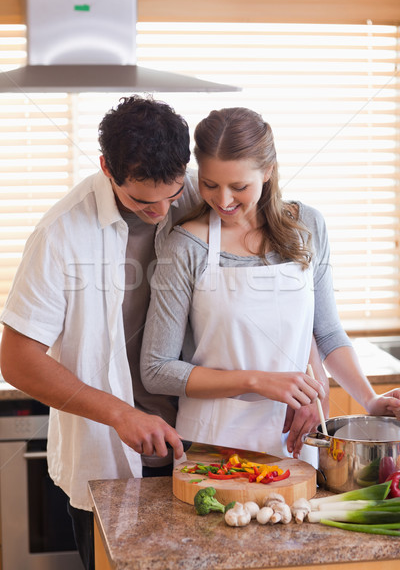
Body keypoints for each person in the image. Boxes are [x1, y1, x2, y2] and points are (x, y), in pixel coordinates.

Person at [0, 95, 203, 570]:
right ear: (106, 169)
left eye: (170, 195)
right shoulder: (60, 233)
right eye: (141, 200)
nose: (159, 211)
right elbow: (17, 360)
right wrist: (120, 414)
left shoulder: (197, 197)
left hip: (200, 450)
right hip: (110, 463)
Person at [140, 106, 400, 462]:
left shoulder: (307, 225)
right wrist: (257, 381)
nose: (223, 200)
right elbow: (157, 369)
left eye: (239, 186)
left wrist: (370, 399)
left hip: (297, 440)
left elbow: (326, 332)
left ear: (269, 171)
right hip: (212, 443)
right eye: (210, 185)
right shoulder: (186, 245)